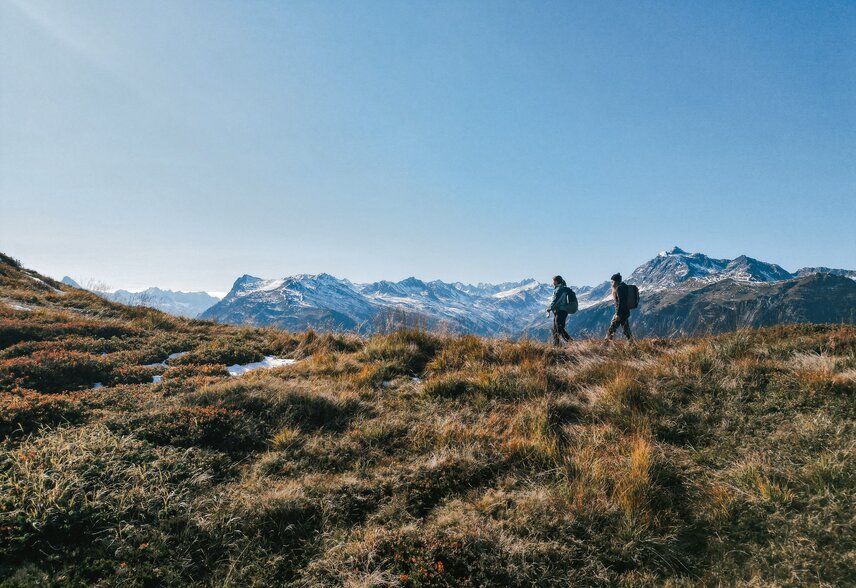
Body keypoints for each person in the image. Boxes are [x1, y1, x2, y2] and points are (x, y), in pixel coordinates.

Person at [606, 272, 633, 342]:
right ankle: (631, 343)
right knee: (626, 330)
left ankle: (606, 344)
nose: (611, 283)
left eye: (612, 281)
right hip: (625, 312)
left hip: (621, 313)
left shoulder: (619, 288)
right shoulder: (624, 287)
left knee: (612, 328)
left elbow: (621, 302)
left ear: (615, 282)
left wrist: (617, 314)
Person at [547, 275, 573, 346]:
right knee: (556, 328)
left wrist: (550, 308)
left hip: (561, 311)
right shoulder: (559, 288)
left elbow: (556, 300)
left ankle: (570, 341)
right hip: (560, 311)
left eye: (553, 281)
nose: (552, 282)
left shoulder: (560, 289)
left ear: (556, 281)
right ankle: (556, 345)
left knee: (559, 327)